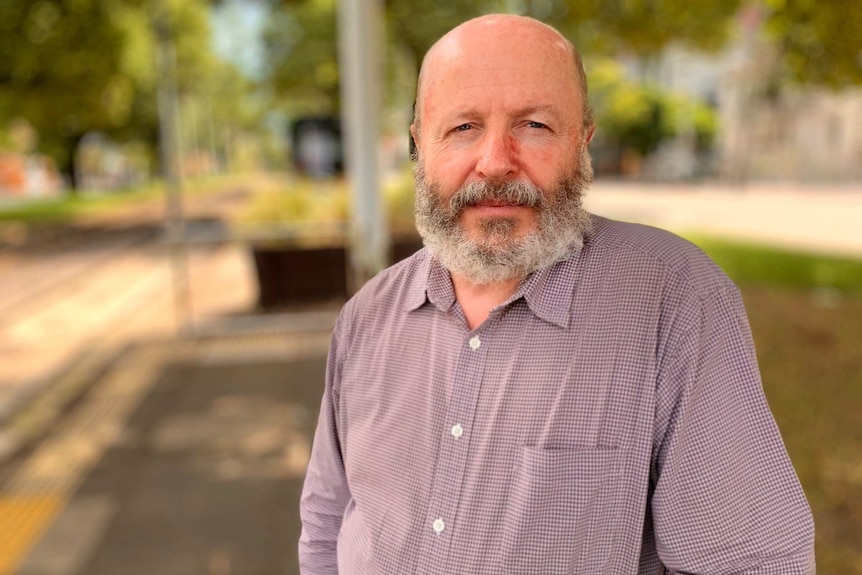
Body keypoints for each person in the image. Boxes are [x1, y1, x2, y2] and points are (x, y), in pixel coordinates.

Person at [299, 14, 815, 575]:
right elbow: (328, 523)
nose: (495, 162)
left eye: (535, 126)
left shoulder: (677, 301)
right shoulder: (365, 318)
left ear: (583, 141)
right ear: (419, 145)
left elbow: (752, 563)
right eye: (464, 127)